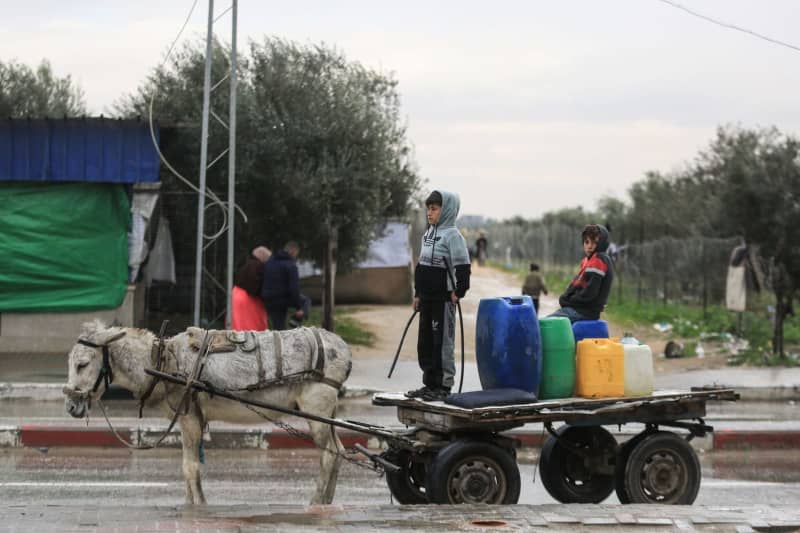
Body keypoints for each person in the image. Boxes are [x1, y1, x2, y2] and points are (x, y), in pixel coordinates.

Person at [406, 190, 471, 402]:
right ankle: (429, 384)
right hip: (426, 299)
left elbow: (463, 267)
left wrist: (458, 292)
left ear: (447, 211)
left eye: (434, 209)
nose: (429, 213)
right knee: (425, 343)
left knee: (441, 343)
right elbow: (421, 267)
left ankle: (443, 386)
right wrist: (417, 294)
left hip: (443, 300)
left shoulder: (453, 236)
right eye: (428, 209)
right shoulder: (428, 235)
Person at [549, 224, 614, 323]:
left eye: (594, 242)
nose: (590, 246)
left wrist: (569, 301)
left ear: (602, 243)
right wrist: (565, 297)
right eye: (587, 242)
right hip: (581, 309)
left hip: (585, 311)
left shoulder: (599, 259)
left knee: (545, 323)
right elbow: (576, 284)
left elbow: (589, 293)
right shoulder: (588, 261)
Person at [261, 241, 311, 330]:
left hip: (268, 298)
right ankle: (295, 321)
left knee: (278, 326)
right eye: (296, 254)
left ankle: (279, 337)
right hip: (282, 298)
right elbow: (293, 289)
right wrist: (298, 307)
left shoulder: (270, 261)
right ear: (293, 251)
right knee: (306, 301)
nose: (296, 256)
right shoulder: (290, 265)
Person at [231, 246, 271, 331]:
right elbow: (256, 287)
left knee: (238, 325)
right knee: (255, 328)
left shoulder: (246, 265)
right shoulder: (259, 267)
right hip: (250, 300)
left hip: (236, 294)